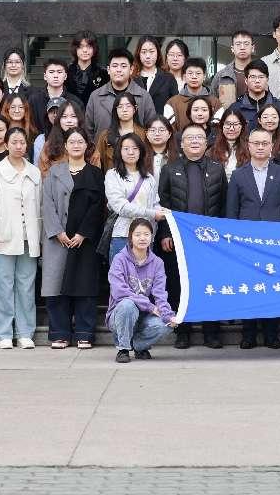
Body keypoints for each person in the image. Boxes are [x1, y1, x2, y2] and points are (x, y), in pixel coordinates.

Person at [156, 123, 227, 349]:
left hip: (210, 240)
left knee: (210, 284)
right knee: (179, 284)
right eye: (190, 138)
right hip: (179, 238)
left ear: (206, 143)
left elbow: (224, 205)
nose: (195, 141)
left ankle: (211, 333)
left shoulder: (217, 169)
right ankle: (182, 332)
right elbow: (163, 204)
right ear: (181, 144)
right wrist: (165, 233)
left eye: (199, 137)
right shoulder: (170, 169)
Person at [226, 127, 280, 349]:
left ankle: (271, 334)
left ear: (272, 147)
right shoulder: (238, 175)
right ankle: (248, 334)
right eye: (256, 143)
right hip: (246, 243)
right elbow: (231, 212)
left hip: (274, 242)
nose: (260, 147)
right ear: (248, 146)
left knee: (273, 287)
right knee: (249, 287)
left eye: (265, 143)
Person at [41, 129, 105, 349]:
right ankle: (59, 333)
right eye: (72, 142)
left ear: (87, 146)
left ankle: (84, 333)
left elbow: (98, 206)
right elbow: (46, 203)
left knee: (84, 285)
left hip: (85, 240)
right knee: (56, 285)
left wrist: (83, 233)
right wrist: (57, 231)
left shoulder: (95, 173)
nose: (76, 145)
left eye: (80, 141)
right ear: (65, 146)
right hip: (57, 239)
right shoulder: (54, 172)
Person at [0, 127, 41, 350]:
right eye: (14, 142)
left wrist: (40, 238)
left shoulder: (34, 172)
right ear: (6, 145)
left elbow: (40, 206)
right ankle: (4, 332)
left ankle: (25, 332)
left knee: (26, 286)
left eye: (22, 142)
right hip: (3, 237)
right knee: (3, 285)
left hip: (29, 238)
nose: (18, 146)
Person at [107, 218, 176, 363]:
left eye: (146, 234)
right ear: (130, 237)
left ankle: (139, 346)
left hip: (144, 316)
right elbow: (119, 292)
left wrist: (167, 314)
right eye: (138, 234)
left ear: (152, 237)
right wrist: (150, 307)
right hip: (120, 314)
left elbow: (160, 293)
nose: (142, 238)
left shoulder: (157, 262)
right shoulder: (119, 259)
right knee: (128, 304)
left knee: (168, 322)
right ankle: (123, 349)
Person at [103, 133, 167, 263]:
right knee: (122, 274)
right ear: (119, 152)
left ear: (141, 151)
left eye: (135, 148)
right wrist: (153, 213)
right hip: (123, 235)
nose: (131, 152)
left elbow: (155, 203)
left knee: (145, 275)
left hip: (146, 237)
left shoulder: (149, 178)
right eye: (126, 149)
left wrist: (163, 212)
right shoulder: (113, 175)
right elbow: (121, 207)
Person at [84, 48, 158, 140]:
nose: (119, 70)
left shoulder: (143, 96)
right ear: (108, 69)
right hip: (102, 148)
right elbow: (88, 131)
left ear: (131, 69)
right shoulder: (95, 97)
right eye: (115, 66)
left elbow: (151, 128)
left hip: (135, 148)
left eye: (123, 66)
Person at [227, 60, 280, 134]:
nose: (257, 81)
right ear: (246, 80)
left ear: (267, 80)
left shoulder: (279, 107)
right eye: (253, 77)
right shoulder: (235, 108)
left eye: (261, 77)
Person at [93, 93, 145, 172]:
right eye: (120, 107)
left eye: (128, 106)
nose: (124, 110)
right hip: (111, 178)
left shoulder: (143, 134)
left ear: (135, 109)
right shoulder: (105, 136)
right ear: (115, 110)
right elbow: (96, 163)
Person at [29, 58, 81, 134]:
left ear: (65, 76)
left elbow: (80, 126)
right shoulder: (34, 100)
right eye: (51, 72)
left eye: (59, 72)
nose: (55, 76)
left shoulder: (75, 101)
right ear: (45, 76)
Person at [164, 57, 219, 129]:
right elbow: (168, 130)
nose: (194, 77)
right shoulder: (172, 103)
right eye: (190, 73)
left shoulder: (215, 102)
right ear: (184, 77)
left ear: (204, 77)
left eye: (198, 73)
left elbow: (218, 129)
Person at [209, 29, 257, 105]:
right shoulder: (221, 75)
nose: (242, 47)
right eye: (238, 44)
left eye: (246, 44)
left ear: (253, 48)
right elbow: (212, 104)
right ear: (232, 49)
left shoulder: (262, 73)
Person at [135, 35, 178, 114]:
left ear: (158, 53)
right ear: (138, 54)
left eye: (151, 51)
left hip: (161, 121)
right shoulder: (132, 79)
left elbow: (175, 107)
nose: (148, 56)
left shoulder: (168, 78)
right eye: (144, 52)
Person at [66, 30, 107, 107]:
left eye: (89, 46)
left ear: (94, 49)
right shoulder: (66, 72)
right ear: (75, 49)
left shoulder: (103, 73)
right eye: (81, 47)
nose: (85, 50)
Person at [210, 109, 250, 180]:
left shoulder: (250, 149)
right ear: (222, 125)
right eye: (228, 124)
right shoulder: (212, 150)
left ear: (242, 126)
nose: (231, 128)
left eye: (236, 124)